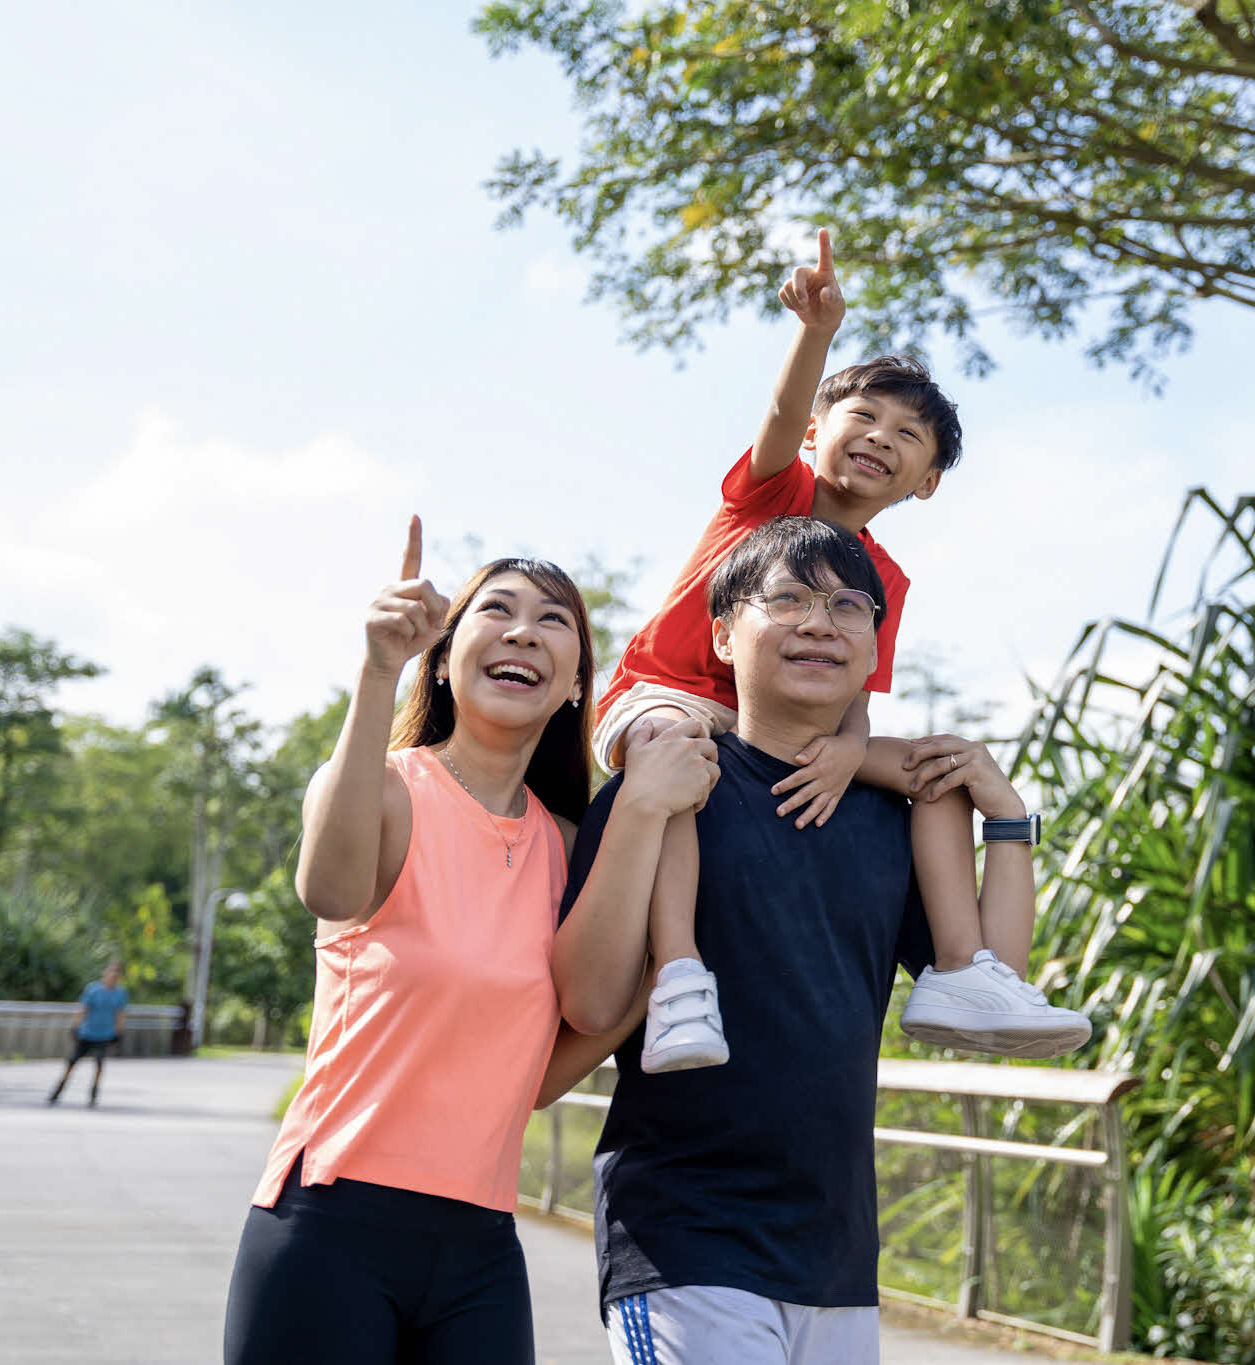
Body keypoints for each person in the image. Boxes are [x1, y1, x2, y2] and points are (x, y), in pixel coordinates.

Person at [556, 516, 1052, 1364]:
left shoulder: (892, 823)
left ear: (872, 652)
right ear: (722, 632)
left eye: (847, 605)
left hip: (837, 1259)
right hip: (685, 1239)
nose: (819, 622)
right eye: (786, 598)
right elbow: (589, 1000)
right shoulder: (665, 789)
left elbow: (990, 977)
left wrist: (1007, 819)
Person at [222, 518, 717, 1365]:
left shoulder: (568, 846)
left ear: (573, 688)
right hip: (330, 1221)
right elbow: (327, 889)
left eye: (554, 619)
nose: (525, 629)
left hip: (481, 1245)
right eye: (499, 609)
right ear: (445, 660)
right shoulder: (382, 789)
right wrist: (379, 668)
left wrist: (665, 970)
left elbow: (529, 1078)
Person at [595, 229, 1088, 1074]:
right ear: (823, 427)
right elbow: (782, 419)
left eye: (907, 436)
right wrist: (815, 333)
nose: (879, 438)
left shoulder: (884, 580)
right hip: (668, 692)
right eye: (862, 416)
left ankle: (964, 970)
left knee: (936, 768)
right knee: (678, 750)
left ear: (926, 481)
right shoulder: (774, 495)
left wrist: (850, 755)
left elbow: (855, 699)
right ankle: (678, 966)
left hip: (785, 721)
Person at [47, 957, 128, 1107]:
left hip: (105, 1034)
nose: (113, 975)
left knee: (99, 1064)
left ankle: (93, 1093)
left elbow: (120, 1014)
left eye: (117, 973)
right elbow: (83, 1008)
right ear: (105, 972)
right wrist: (76, 1026)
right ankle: (59, 1088)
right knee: (72, 1062)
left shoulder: (120, 993)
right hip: (88, 1032)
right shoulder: (93, 989)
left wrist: (118, 1032)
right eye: (111, 971)